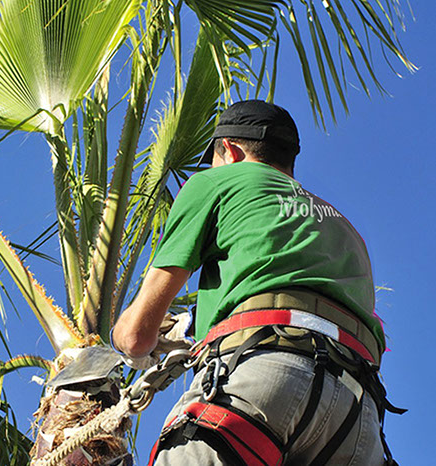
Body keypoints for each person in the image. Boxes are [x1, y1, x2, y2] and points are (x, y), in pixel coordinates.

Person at [111, 100, 402, 465]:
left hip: (264, 377)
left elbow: (136, 336)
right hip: (356, 413)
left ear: (229, 150)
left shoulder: (217, 182)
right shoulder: (347, 230)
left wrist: (128, 343)